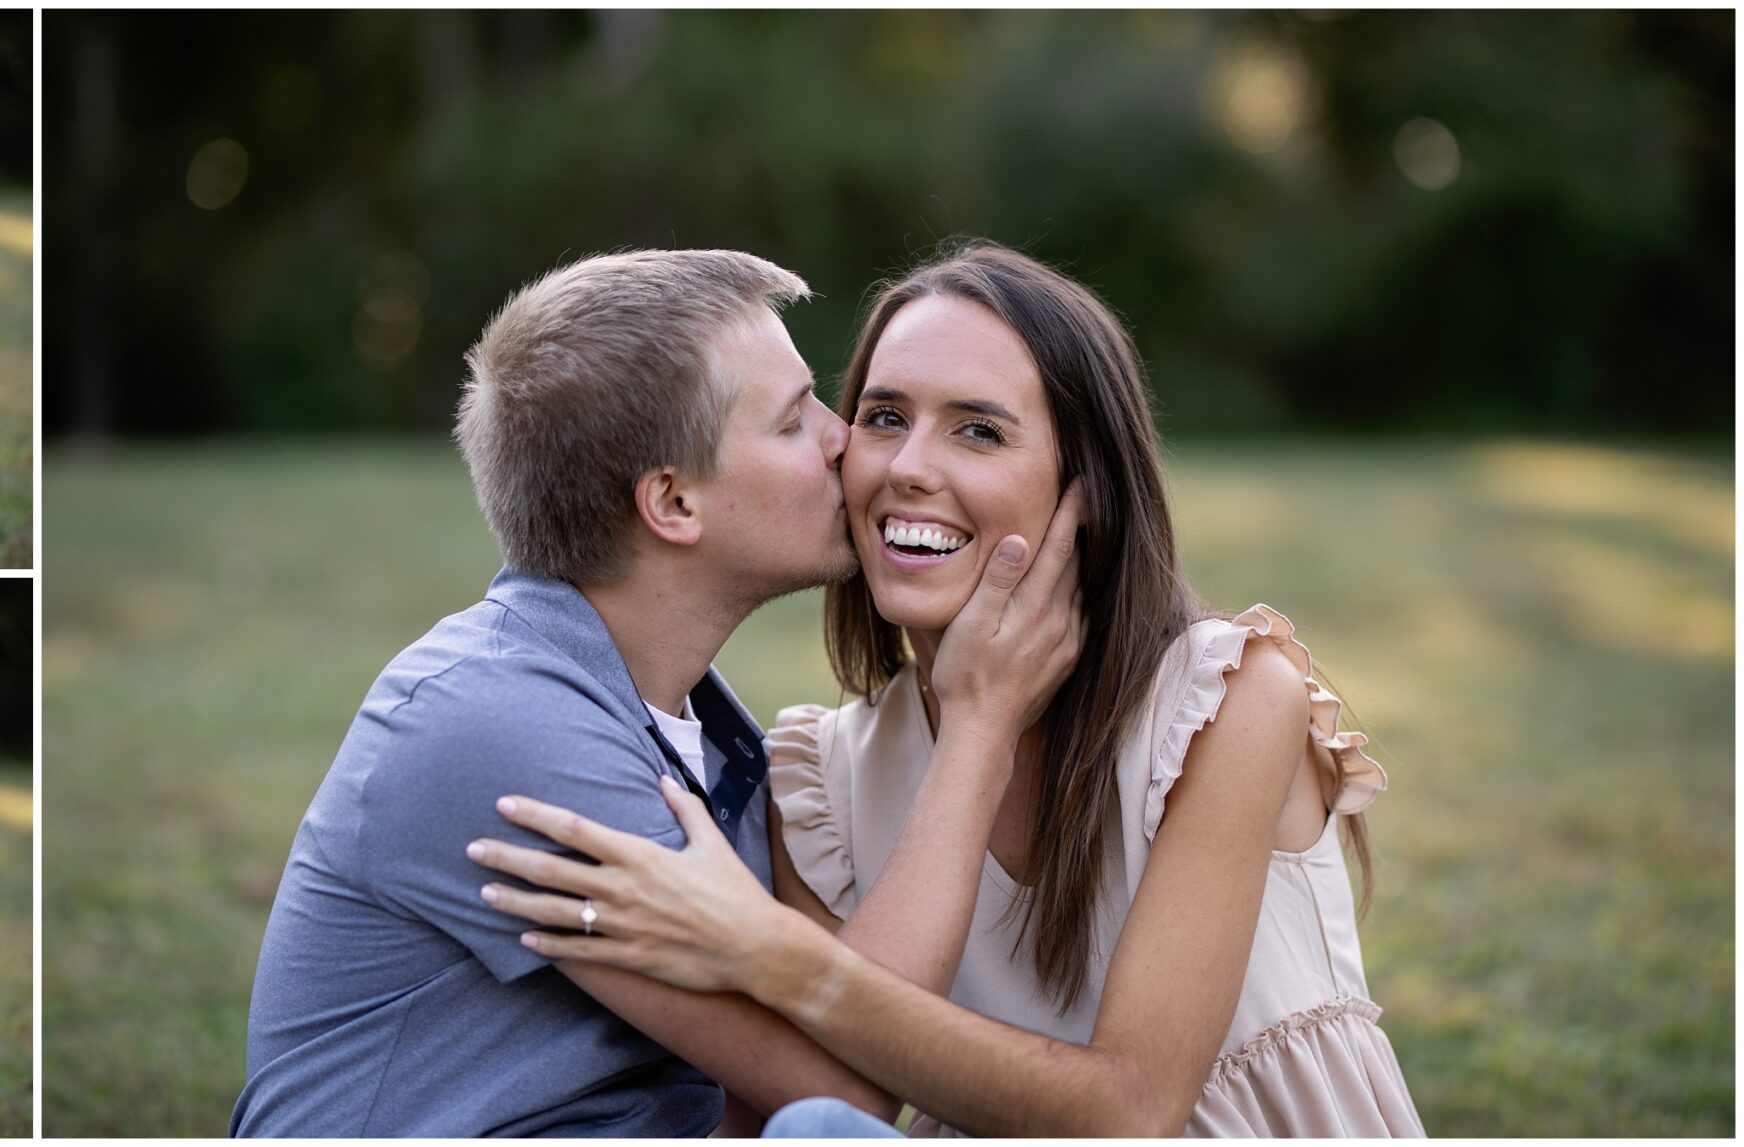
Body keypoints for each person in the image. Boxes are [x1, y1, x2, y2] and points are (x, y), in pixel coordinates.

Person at [469, 242, 1425, 1136]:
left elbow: (1133, 1112)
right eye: (885, 417)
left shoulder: (1224, 700)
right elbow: (815, 1095)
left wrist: (765, 948)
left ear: (1084, 485)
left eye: (978, 431)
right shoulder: (820, 784)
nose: (908, 467)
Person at [230, 250, 1079, 1136]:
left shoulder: (693, 731)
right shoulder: (496, 723)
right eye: (794, 421)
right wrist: (981, 720)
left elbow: (765, 1078)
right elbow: (847, 1083)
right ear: (673, 502)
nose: (843, 439)